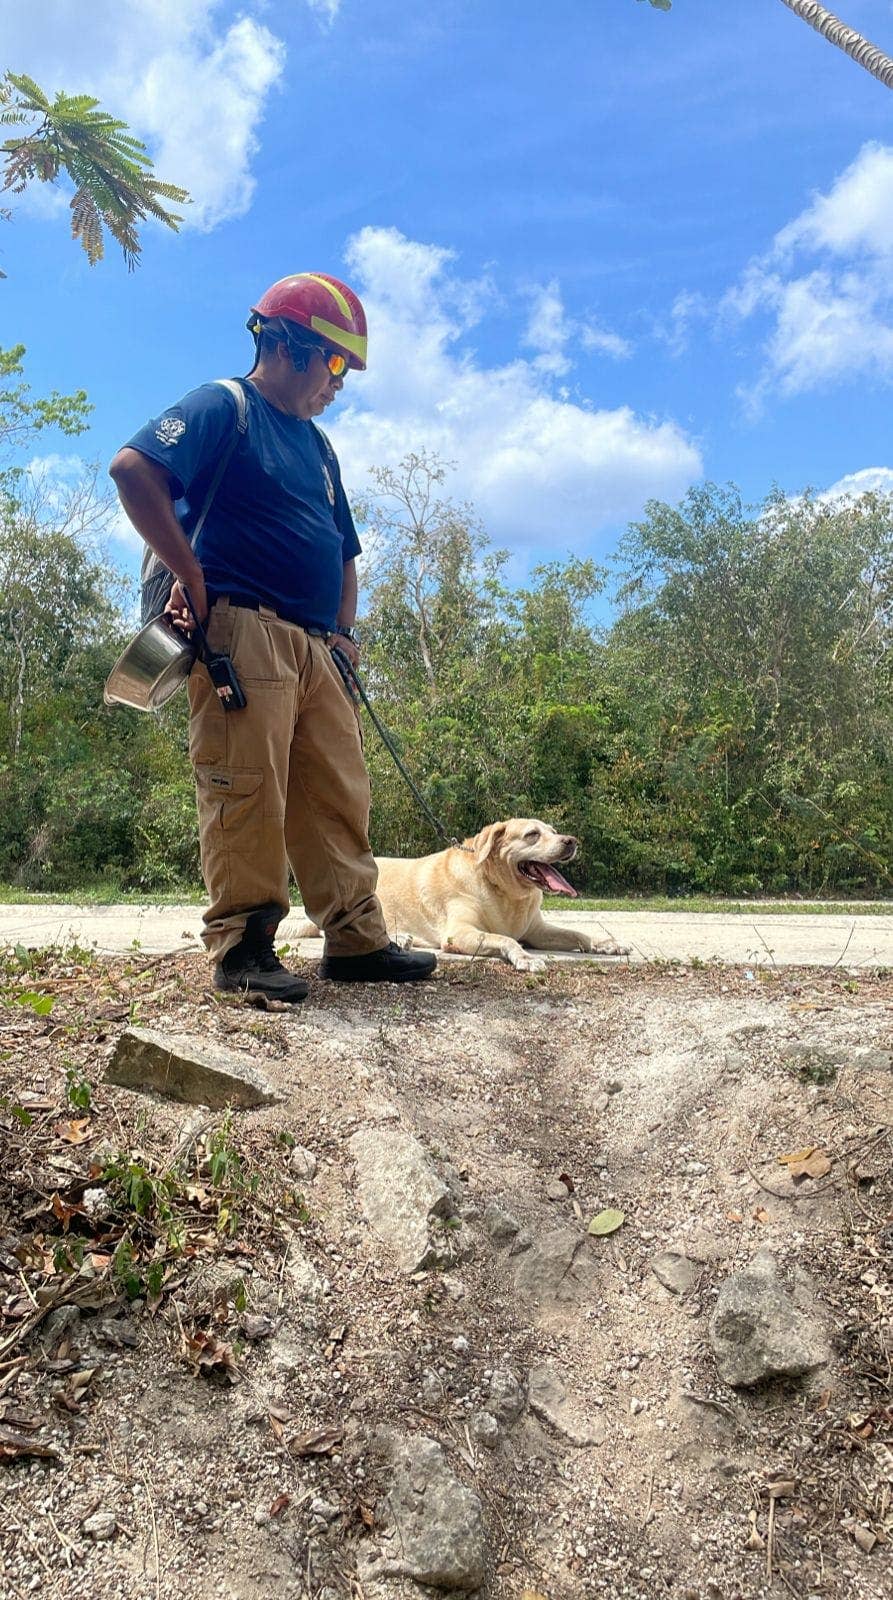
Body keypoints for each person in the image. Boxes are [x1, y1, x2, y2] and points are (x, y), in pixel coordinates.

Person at [109, 271, 436, 1003]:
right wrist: (188, 578)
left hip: (317, 647)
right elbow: (134, 470)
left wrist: (344, 637)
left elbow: (343, 550)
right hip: (242, 630)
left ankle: (355, 941)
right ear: (292, 347)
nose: (340, 385)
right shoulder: (226, 406)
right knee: (246, 789)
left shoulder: (319, 449)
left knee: (336, 792)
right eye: (337, 365)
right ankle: (245, 948)